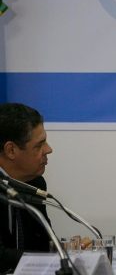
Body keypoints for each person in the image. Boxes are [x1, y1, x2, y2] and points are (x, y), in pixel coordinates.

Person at [0, 103, 53, 273]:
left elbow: (44, 244)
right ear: (11, 150)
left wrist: (70, 252)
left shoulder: (35, 184)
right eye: (39, 145)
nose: (49, 150)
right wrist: (54, 258)